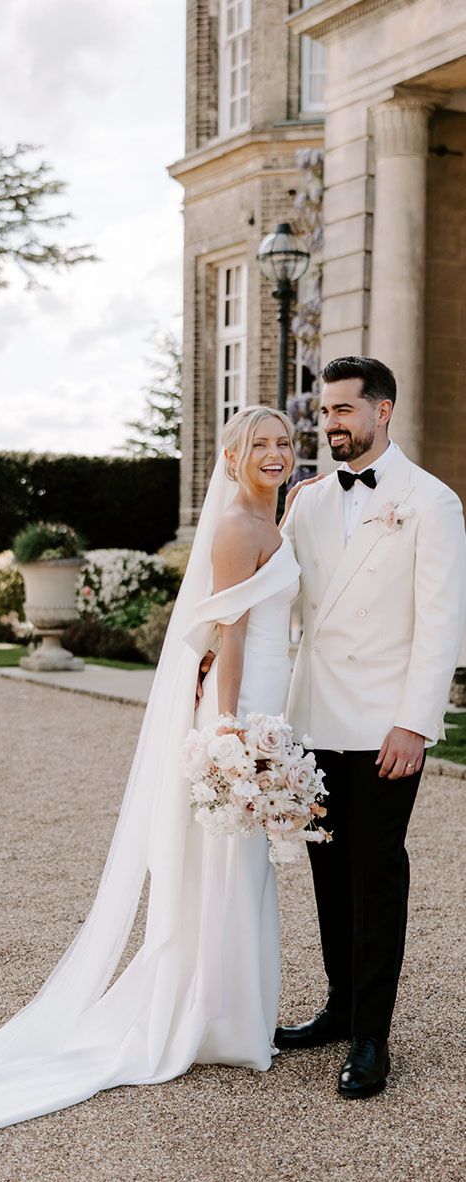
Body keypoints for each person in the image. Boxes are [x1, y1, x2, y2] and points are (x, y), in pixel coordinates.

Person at [0, 405, 312, 1136]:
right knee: (229, 865)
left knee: (244, 865)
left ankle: (231, 1014)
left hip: (270, 701)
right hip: (244, 709)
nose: (274, 453)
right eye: (258, 444)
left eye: (282, 442)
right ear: (231, 458)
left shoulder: (276, 520)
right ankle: (217, 1020)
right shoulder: (237, 526)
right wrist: (229, 728)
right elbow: (226, 635)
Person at [273, 356, 466, 1098]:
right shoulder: (311, 499)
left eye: (344, 411)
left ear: (383, 411)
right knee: (326, 867)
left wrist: (415, 724)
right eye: (324, 413)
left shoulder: (431, 500)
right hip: (314, 716)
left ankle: (372, 1037)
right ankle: (339, 1005)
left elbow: (441, 622)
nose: (330, 425)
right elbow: (274, 590)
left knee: (375, 872)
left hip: (386, 723)